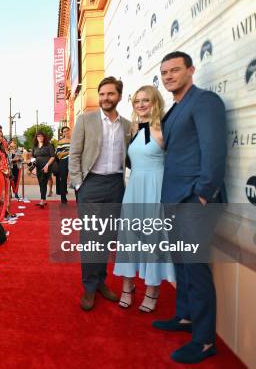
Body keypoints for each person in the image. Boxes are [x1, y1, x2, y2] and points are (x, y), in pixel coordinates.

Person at [152, 51, 226, 364]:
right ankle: (184, 317)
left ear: (190, 70)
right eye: (164, 72)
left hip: (194, 202)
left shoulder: (205, 101)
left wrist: (203, 195)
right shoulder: (175, 109)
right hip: (174, 200)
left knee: (196, 271)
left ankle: (205, 340)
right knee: (181, 265)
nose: (169, 76)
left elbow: (214, 150)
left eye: (175, 70)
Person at [69, 76, 132, 311]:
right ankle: (89, 287)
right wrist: (79, 185)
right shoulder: (86, 120)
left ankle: (101, 282)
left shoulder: (127, 125)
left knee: (106, 238)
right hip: (91, 185)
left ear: (119, 96)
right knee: (91, 239)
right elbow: (74, 155)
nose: (105, 98)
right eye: (102, 94)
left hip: (116, 185)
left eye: (110, 94)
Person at [112, 86, 175, 313]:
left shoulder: (164, 130)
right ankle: (127, 287)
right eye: (137, 100)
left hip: (155, 189)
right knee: (129, 238)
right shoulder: (134, 129)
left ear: (155, 102)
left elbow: (176, 163)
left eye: (145, 100)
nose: (140, 104)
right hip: (134, 189)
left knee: (152, 239)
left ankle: (152, 290)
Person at [31, 131, 55, 208]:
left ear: (44, 137)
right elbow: (33, 157)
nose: (40, 138)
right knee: (41, 183)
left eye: (41, 136)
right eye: (38, 136)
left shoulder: (49, 145)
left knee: (43, 182)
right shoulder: (35, 146)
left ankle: (42, 200)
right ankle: (43, 200)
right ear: (36, 138)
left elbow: (52, 157)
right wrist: (33, 166)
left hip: (46, 166)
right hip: (38, 166)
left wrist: (47, 165)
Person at [55, 126, 71, 203]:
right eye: (64, 131)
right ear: (63, 133)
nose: (66, 132)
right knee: (63, 180)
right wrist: (69, 152)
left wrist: (65, 153)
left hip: (73, 161)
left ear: (69, 131)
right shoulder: (61, 142)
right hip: (63, 162)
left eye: (67, 130)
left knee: (75, 179)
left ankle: (79, 198)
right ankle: (63, 198)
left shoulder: (74, 140)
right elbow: (58, 154)